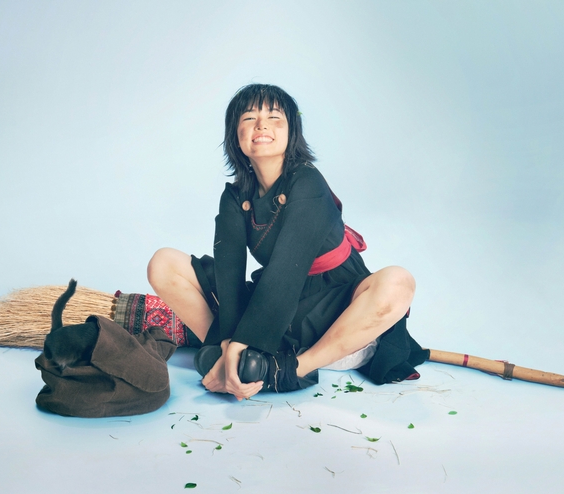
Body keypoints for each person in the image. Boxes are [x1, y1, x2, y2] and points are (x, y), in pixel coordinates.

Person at [147, 84, 427, 401]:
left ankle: (289, 369)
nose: (261, 125)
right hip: (278, 307)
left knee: (398, 282)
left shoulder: (307, 181)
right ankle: (235, 362)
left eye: (274, 118)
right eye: (249, 118)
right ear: (235, 135)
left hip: (336, 304)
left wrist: (242, 341)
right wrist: (227, 344)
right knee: (163, 263)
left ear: (292, 131)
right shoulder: (235, 197)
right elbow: (230, 276)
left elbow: (286, 270)